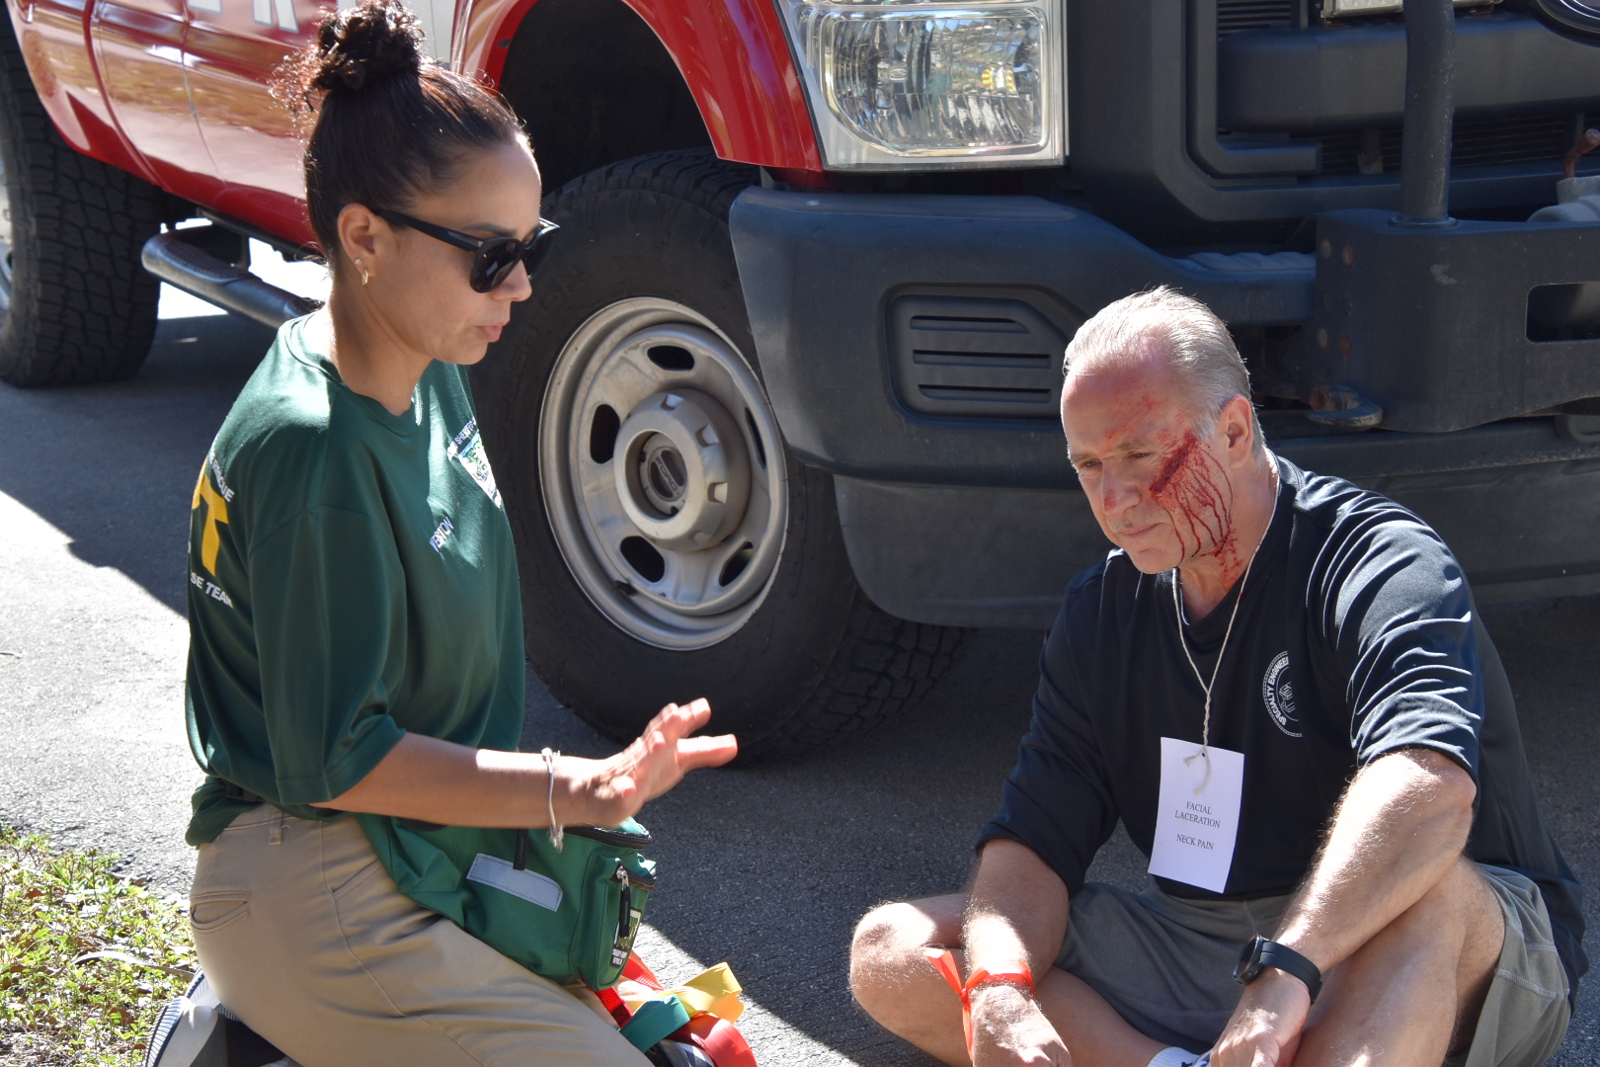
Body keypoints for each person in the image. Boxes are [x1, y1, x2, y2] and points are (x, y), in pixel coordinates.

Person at [180, 4, 737, 1063]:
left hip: (416, 845)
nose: (521, 284)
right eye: (490, 256)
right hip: (314, 868)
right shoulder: (318, 450)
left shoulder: (416, 365)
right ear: (363, 236)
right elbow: (341, 758)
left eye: (533, 247)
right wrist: (573, 786)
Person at [848, 287, 1585, 1067]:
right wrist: (999, 986)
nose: (1114, 499)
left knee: (1430, 895)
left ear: (1234, 430)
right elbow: (1033, 843)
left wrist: (1285, 973)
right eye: (1090, 465)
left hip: (1429, 930)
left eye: (1140, 455)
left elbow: (1431, 788)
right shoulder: (1103, 610)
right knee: (894, 947)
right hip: (1211, 943)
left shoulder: (1376, 560)